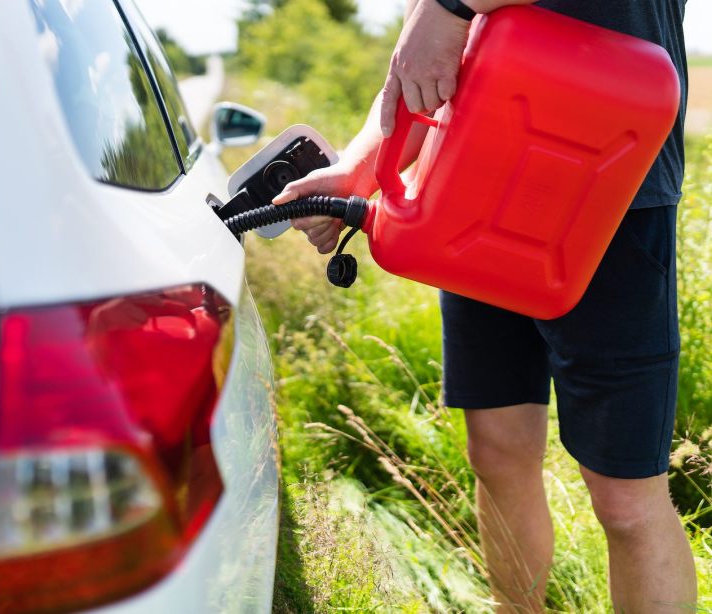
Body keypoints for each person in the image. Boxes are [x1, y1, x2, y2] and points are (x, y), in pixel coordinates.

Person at [273, 0, 696, 610]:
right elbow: (427, 64)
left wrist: (451, 5)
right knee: (497, 448)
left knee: (627, 498)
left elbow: (445, 21)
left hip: (610, 194)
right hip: (473, 185)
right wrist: (355, 174)